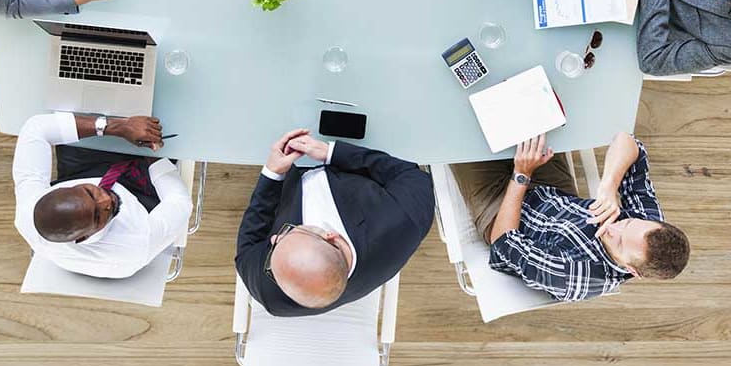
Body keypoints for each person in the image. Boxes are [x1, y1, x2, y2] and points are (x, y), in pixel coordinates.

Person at [452, 132, 690, 302]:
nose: (611, 228)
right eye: (626, 223)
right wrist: (608, 186)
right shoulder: (647, 228)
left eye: (619, 242)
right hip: (553, 191)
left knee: (462, 132)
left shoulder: (573, 275)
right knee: (530, 112)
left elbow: (503, 243)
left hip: (502, 212)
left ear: (632, 270)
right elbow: (628, 142)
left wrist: (522, 174)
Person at [235, 128, 434, 317]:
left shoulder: (271, 294)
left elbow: (247, 249)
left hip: (288, 172)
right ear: (331, 237)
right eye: (290, 231)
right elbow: (411, 176)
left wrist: (273, 173)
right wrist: (332, 152)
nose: (274, 238)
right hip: (358, 144)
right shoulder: (404, 222)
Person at [13, 111, 191, 278]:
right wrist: (151, 151)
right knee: (165, 120)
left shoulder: (28, 211)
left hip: (83, 172)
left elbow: (35, 129)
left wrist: (118, 127)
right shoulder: (137, 242)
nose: (106, 200)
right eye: (98, 216)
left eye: (90, 194)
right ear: (83, 237)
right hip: (139, 192)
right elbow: (179, 201)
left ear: (59, 189)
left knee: (86, 109)